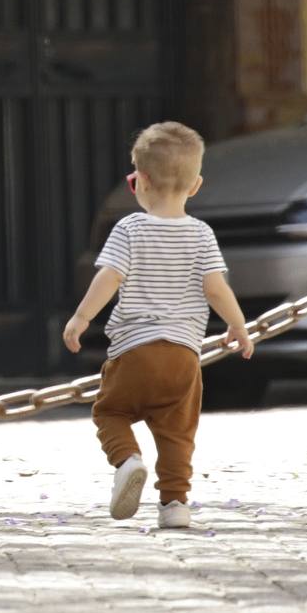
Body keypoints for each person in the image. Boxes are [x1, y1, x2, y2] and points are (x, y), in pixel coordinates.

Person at [62, 121, 255, 529]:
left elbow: (108, 278)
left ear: (141, 182)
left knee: (110, 411)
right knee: (177, 433)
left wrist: (82, 317)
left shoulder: (129, 229)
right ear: (196, 185)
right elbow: (216, 288)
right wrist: (238, 326)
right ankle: (175, 504)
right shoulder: (202, 234)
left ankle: (128, 459)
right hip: (184, 356)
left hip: (135, 352)